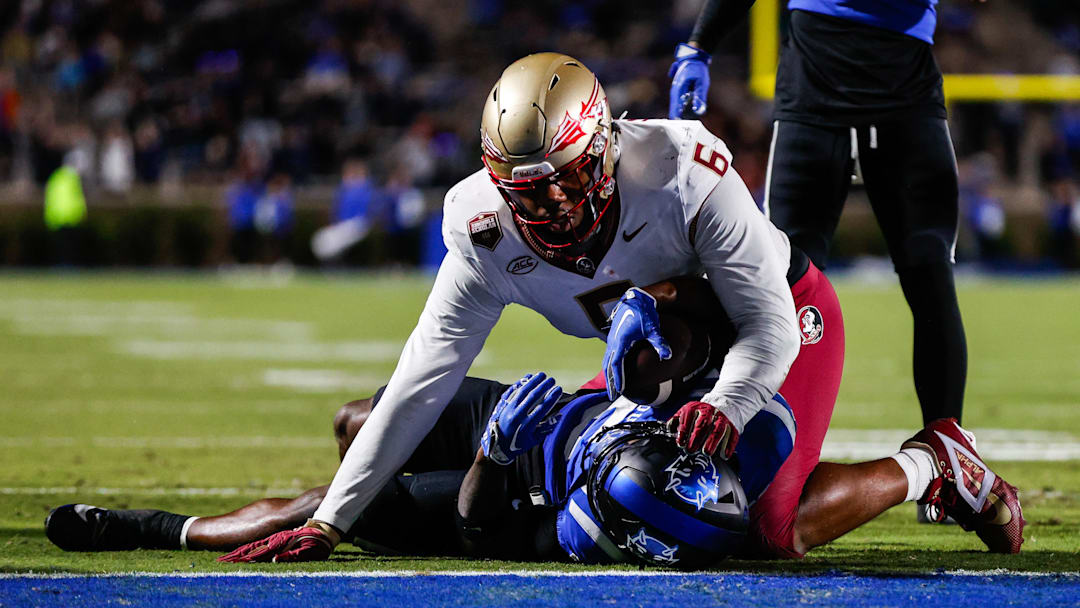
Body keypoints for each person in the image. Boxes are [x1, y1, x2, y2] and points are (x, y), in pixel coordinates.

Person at [214, 51, 813, 562]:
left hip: (788, 315)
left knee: (763, 528)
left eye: (567, 177)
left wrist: (727, 405)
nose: (553, 203)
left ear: (603, 147)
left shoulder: (680, 170)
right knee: (631, 484)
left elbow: (768, 323)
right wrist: (330, 523)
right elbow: (422, 379)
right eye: (527, 190)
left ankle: (877, 476)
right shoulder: (484, 227)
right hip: (650, 369)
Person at [45, 280, 1023, 562]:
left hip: (522, 460)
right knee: (359, 423)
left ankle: (927, 465)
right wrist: (651, 372)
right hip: (719, 343)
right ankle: (925, 465)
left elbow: (482, 524)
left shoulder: (592, 515)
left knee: (351, 495)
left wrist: (493, 451)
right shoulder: (722, 441)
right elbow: (715, 389)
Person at [669, 1, 971, 456]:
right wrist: (700, 44)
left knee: (929, 276)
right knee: (778, 283)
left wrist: (700, 45)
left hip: (901, 88)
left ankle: (951, 460)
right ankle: (763, 452)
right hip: (815, 83)